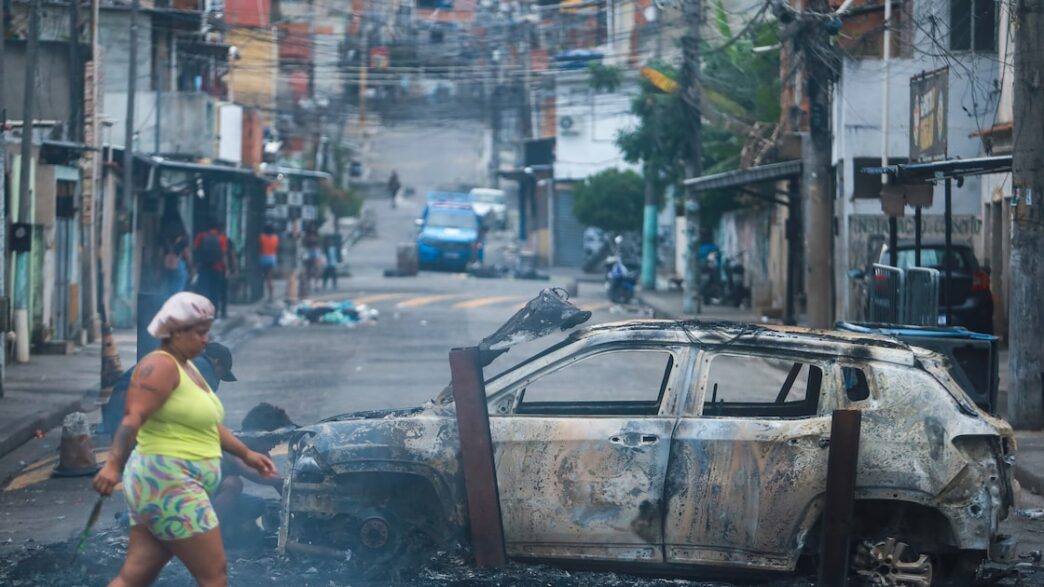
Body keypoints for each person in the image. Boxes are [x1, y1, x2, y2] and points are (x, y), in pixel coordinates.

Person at [93, 292, 276, 587]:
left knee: (135, 575)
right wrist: (113, 465)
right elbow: (133, 418)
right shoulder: (170, 367)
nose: (204, 340)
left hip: (163, 481)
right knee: (214, 574)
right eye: (199, 332)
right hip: (170, 482)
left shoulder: (191, 368)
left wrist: (247, 454)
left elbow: (210, 426)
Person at [101, 342, 239, 437]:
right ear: (217, 362)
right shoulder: (204, 369)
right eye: (222, 374)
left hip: (119, 407)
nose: (219, 379)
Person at [211, 403, 295, 546]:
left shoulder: (260, 450)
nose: (274, 445)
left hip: (214, 497)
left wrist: (299, 509)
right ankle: (207, 537)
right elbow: (258, 474)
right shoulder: (233, 442)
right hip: (193, 497)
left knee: (258, 505)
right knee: (233, 483)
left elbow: (278, 482)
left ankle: (229, 531)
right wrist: (286, 481)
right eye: (272, 440)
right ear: (258, 435)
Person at [193, 222, 230, 315]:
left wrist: (196, 264)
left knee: (204, 290)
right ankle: (214, 312)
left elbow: (195, 249)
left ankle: (203, 311)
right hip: (217, 268)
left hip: (203, 267)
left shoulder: (200, 236)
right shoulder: (222, 238)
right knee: (215, 291)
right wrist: (227, 269)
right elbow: (224, 255)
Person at [258, 225, 279, 303]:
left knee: (261, 277)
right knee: (270, 279)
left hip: (263, 257)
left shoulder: (262, 237)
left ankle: (260, 293)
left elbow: (259, 246)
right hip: (272, 258)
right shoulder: (275, 238)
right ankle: (271, 296)